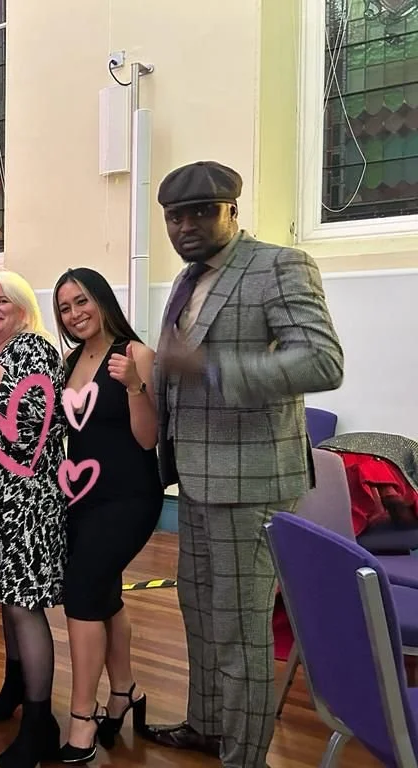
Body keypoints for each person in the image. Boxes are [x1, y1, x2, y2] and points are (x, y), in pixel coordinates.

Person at [145, 161, 343, 768]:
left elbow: (322, 362)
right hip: (196, 477)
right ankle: (208, 726)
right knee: (200, 615)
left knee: (241, 631)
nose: (186, 226)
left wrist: (213, 367)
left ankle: (245, 758)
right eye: (175, 217)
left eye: (202, 212)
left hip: (250, 482)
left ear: (233, 209)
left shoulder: (278, 265)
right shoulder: (187, 279)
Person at [52, 268, 162, 764]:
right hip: (82, 496)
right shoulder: (70, 361)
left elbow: (147, 440)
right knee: (105, 593)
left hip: (130, 497)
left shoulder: (135, 354)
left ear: (102, 299)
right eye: (65, 308)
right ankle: (125, 691)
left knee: (82, 592)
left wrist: (136, 386)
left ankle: (82, 719)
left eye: (81, 302)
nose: (74, 314)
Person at [0, 270, 66, 768]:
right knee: (7, 601)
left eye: (2, 300)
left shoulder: (36, 350)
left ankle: (40, 722)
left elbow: (31, 431)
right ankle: (15, 686)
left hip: (26, 501)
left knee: (25, 606)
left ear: (23, 308)